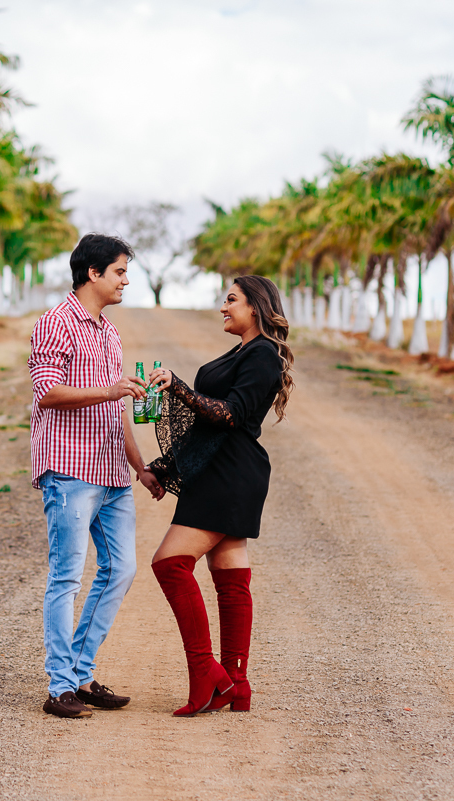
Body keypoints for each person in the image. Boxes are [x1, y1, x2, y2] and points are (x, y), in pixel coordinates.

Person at [143, 274, 294, 716]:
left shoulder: (264, 354)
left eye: (231, 300)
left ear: (256, 307)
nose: (223, 307)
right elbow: (206, 428)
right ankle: (237, 684)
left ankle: (207, 673)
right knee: (229, 579)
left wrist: (179, 385)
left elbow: (230, 415)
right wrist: (164, 466)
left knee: (170, 564)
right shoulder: (244, 351)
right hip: (221, 469)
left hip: (232, 472)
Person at [28, 233, 164, 719]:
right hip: (68, 469)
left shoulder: (109, 332)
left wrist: (141, 467)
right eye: (120, 271)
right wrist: (108, 390)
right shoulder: (56, 323)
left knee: (121, 570)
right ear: (93, 273)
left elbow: (117, 410)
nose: (126, 280)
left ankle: (81, 673)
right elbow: (46, 391)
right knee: (66, 576)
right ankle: (60, 685)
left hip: (111, 473)